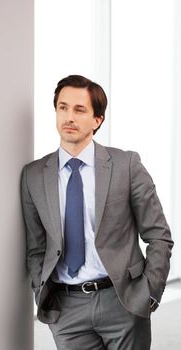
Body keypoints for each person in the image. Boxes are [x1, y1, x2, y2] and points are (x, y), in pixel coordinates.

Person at [21, 75, 173, 350]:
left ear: (97, 120)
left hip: (123, 301)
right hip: (67, 310)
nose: (69, 116)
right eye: (63, 107)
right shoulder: (33, 175)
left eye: (79, 110)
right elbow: (36, 248)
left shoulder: (126, 165)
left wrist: (149, 293)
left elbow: (159, 235)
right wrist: (40, 292)